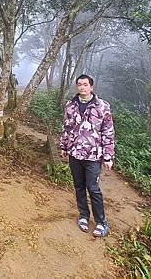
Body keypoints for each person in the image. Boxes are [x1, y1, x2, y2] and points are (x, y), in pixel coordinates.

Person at [59, 74, 115, 238]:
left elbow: (108, 132)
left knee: (93, 188)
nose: (82, 87)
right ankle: (83, 215)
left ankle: (101, 222)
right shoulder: (71, 105)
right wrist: (64, 146)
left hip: (93, 156)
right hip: (75, 154)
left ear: (91, 87)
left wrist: (108, 156)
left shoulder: (102, 106)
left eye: (85, 85)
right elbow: (66, 128)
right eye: (79, 85)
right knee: (78, 187)